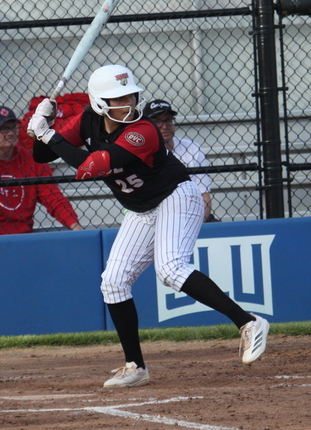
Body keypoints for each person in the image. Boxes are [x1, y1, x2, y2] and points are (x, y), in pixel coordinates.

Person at [27, 64, 270, 388]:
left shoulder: (143, 131)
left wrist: (46, 133)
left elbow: (90, 167)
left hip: (177, 197)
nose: (129, 102)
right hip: (141, 209)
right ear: (100, 102)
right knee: (113, 282)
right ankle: (135, 367)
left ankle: (249, 322)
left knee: (170, 268)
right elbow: (42, 154)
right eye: (119, 98)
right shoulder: (87, 120)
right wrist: (44, 122)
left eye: (131, 95)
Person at [0, 105, 83, 237]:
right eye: (3, 129)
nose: (10, 133)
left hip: (24, 237)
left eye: (13, 127)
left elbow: (53, 197)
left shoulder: (31, 159)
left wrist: (75, 226)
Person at [145, 99, 218, 222]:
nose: (165, 126)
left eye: (168, 120)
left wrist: (197, 224)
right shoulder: (142, 152)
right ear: (148, 126)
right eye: (158, 122)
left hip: (190, 213)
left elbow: (203, 195)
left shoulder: (192, 148)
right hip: (156, 215)